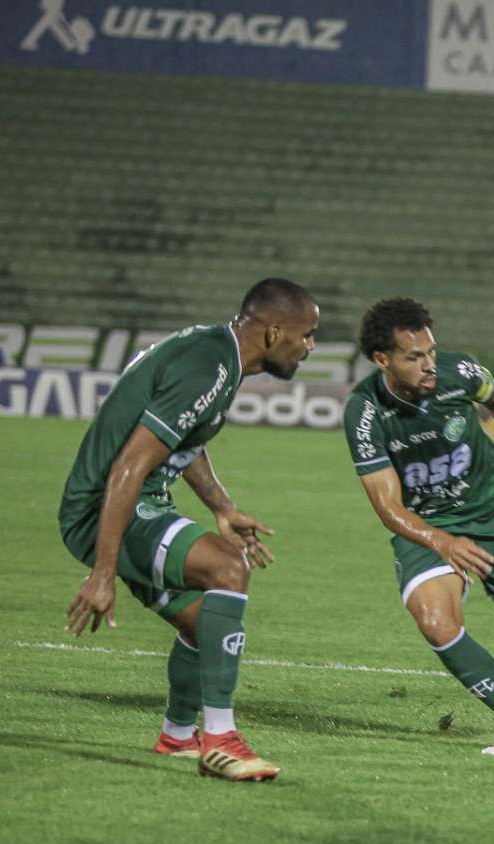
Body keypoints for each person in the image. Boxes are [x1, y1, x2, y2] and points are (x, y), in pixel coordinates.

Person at [59, 278, 319, 781]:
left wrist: (222, 506)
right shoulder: (209, 365)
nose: (309, 347)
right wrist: (103, 571)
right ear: (273, 333)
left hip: (127, 504)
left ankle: (179, 735)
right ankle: (220, 738)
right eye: (306, 335)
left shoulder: (216, 355)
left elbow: (184, 440)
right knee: (227, 567)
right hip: (108, 508)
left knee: (207, 621)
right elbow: (129, 468)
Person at [342, 297, 494, 757]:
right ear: (383, 360)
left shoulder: (459, 373)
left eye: (431, 352)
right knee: (436, 622)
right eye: (414, 358)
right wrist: (441, 540)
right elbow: (386, 505)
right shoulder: (365, 412)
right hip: (427, 522)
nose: (429, 365)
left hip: (493, 508)